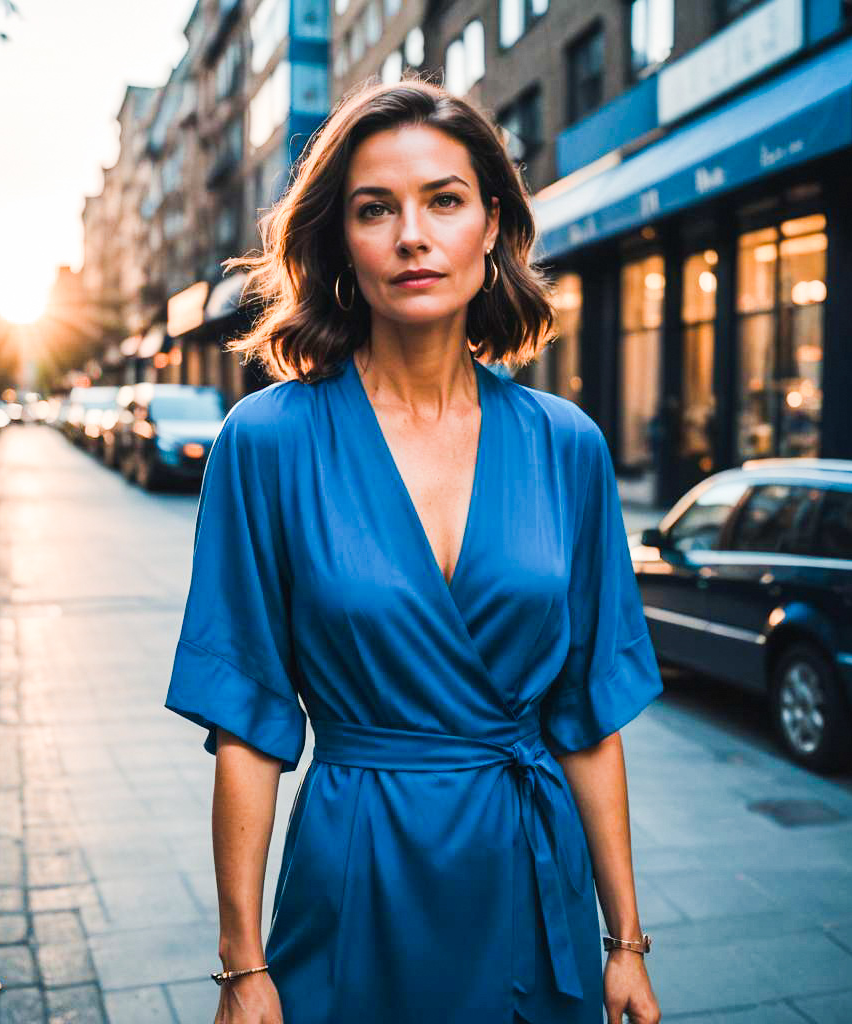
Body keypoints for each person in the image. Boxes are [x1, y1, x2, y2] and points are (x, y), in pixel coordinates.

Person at [165, 74, 664, 1024]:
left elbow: (590, 715)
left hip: (529, 874)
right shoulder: (266, 443)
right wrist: (243, 965)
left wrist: (626, 940)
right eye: (374, 208)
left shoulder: (569, 447)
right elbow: (249, 723)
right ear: (340, 244)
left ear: (492, 227)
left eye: (444, 200)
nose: (411, 235)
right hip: (357, 872)